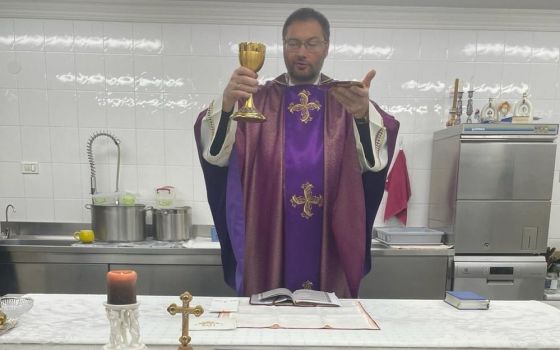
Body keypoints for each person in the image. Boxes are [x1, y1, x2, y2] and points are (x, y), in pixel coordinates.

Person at [194, 7, 399, 298]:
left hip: (329, 235)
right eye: (293, 43)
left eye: (312, 43)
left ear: (326, 47)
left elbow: (373, 166)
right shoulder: (256, 99)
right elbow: (216, 156)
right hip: (268, 234)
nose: (301, 52)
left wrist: (364, 116)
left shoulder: (347, 99)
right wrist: (227, 103)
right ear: (283, 46)